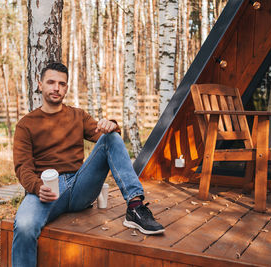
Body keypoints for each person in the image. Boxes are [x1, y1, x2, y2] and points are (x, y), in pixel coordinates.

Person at [12, 62, 164, 266]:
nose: (56, 88)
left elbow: (106, 137)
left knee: (112, 137)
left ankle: (135, 206)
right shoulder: (26, 124)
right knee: (23, 225)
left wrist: (111, 125)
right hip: (46, 190)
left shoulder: (77, 115)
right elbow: (22, 167)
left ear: (66, 88)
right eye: (51, 82)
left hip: (79, 186)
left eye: (61, 84)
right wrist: (37, 187)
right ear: (40, 85)